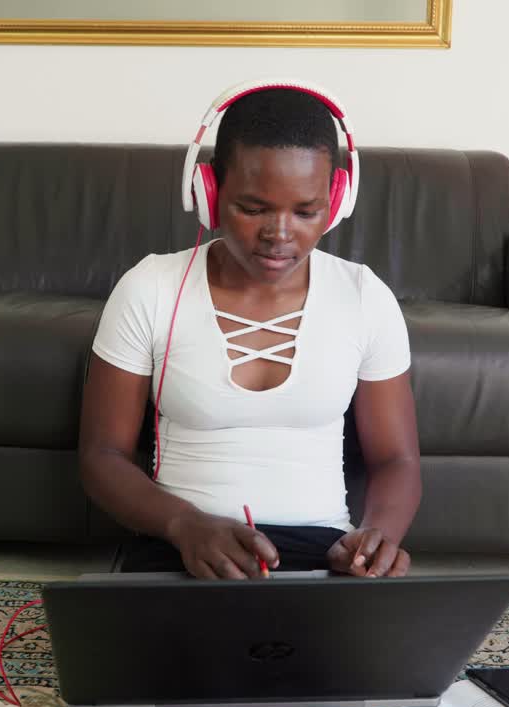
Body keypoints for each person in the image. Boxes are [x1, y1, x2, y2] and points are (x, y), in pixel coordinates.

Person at [79, 80, 420, 579]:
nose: (280, 234)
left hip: (326, 554)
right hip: (182, 545)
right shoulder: (149, 288)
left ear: (337, 200)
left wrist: (374, 541)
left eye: (306, 212)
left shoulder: (365, 297)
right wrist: (184, 525)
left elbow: (396, 459)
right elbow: (101, 456)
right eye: (254, 208)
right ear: (208, 193)